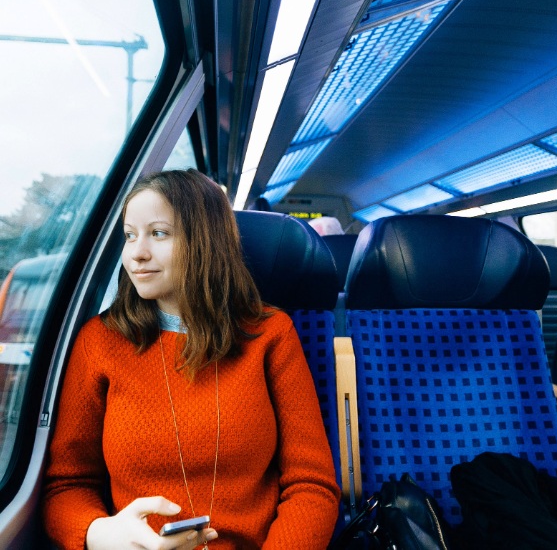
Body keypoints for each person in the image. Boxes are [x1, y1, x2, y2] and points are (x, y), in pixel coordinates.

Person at [42, 169, 340, 550]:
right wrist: (100, 534)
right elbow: (67, 485)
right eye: (130, 235)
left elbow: (311, 485)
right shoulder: (100, 341)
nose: (136, 253)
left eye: (159, 233)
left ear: (206, 241)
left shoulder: (271, 334)